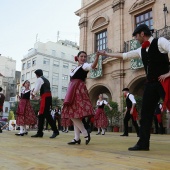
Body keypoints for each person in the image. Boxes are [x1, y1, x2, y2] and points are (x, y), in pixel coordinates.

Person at [97, 24, 170, 151]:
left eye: (136, 36)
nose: (136, 39)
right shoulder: (140, 50)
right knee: (146, 114)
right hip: (150, 84)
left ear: (142, 34)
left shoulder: (160, 41)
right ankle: (143, 143)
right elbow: (124, 55)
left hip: (164, 81)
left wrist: (169, 73)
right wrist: (107, 54)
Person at [61, 51, 99, 145]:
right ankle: (77, 138)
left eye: (85, 56)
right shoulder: (74, 69)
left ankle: (85, 133)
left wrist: (97, 57)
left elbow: (93, 66)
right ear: (77, 58)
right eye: (81, 56)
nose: (83, 58)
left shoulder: (84, 66)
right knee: (74, 114)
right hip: (72, 90)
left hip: (78, 91)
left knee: (72, 114)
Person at [31, 69, 59, 138]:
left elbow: (36, 89)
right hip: (47, 97)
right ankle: (40, 132)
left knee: (46, 115)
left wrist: (33, 93)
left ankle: (55, 131)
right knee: (41, 115)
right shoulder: (46, 80)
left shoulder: (39, 79)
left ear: (37, 74)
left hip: (45, 98)